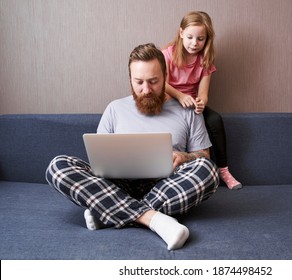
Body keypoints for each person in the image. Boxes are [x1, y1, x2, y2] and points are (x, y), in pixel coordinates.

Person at [45, 43, 219, 250]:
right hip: (117, 185)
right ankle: (154, 219)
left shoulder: (188, 111)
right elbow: (99, 160)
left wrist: (185, 157)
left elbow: (204, 156)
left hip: (167, 186)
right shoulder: (115, 108)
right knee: (58, 167)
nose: (146, 90)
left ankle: (109, 212)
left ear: (166, 76)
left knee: (208, 171)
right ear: (130, 79)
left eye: (154, 81)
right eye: (139, 82)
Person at [162, 11, 242, 190]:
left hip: (191, 104)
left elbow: (204, 93)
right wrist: (181, 96)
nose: (194, 43)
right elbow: (162, 84)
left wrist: (201, 102)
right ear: (181, 33)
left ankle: (223, 170)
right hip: (170, 101)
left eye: (200, 39)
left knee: (215, 119)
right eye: (190, 37)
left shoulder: (204, 60)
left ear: (207, 39)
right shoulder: (167, 54)